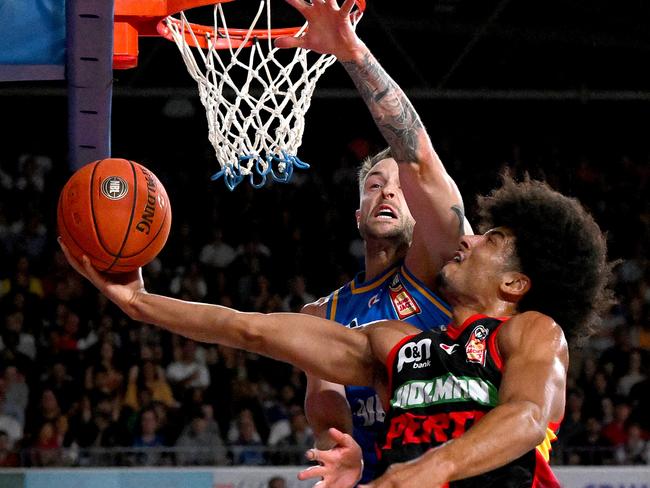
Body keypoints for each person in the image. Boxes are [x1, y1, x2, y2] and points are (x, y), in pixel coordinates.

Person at [59, 172, 612, 486]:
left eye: (488, 239)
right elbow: (249, 330)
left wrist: (422, 471)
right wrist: (141, 302)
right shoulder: (395, 344)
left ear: (515, 285)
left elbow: (526, 417)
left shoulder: (532, 332)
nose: (467, 239)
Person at [275, 0, 471, 481]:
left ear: (417, 212)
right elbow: (326, 409)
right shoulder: (322, 313)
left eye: (399, 190)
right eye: (374, 185)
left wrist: (352, 54)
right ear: (358, 213)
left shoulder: (445, 270)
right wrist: (339, 448)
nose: (388, 191)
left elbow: (417, 155)